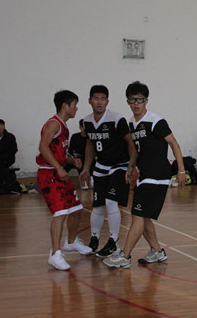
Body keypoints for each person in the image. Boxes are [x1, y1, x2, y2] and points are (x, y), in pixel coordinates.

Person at [104, 81, 187, 268]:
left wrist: (181, 170)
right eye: (132, 100)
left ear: (146, 101)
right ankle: (157, 251)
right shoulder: (132, 123)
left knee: (138, 215)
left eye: (140, 100)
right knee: (143, 215)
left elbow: (174, 143)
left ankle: (125, 256)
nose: (136, 104)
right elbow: (135, 148)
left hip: (157, 176)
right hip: (144, 175)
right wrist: (131, 167)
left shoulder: (156, 121)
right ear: (128, 102)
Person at [36, 90, 92, 270]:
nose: (76, 108)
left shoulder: (64, 127)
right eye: (75, 104)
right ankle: (54, 254)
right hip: (49, 174)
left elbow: (57, 151)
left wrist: (70, 160)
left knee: (76, 209)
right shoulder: (53, 124)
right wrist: (59, 168)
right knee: (60, 213)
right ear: (65, 106)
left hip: (59, 173)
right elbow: (43, 147)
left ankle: (71, 241)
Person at [79, 85, 136, 257]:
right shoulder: (87, 121)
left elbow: (131, 143)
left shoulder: (117, 119)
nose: (99, 102)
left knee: (111, 201)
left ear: (107, 101)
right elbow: (90, 144)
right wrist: (86, 168)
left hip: (120, 165)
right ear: (90, 100)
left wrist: (131, 166)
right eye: (96, 98)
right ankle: (94, 239)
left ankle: (113, 241)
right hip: (101, 166)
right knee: (97, 205)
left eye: (103, 99)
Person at [65, 119, 92, 189]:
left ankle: (90, 180)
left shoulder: (91, 137)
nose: (85, 130)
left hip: (88, 158)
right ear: (80, 127)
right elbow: (70, 150)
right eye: (83, 127)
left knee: (92, 162)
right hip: (77, 157)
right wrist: (73, 157)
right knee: (70, 163)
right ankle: (61, 179)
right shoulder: (75, 136)